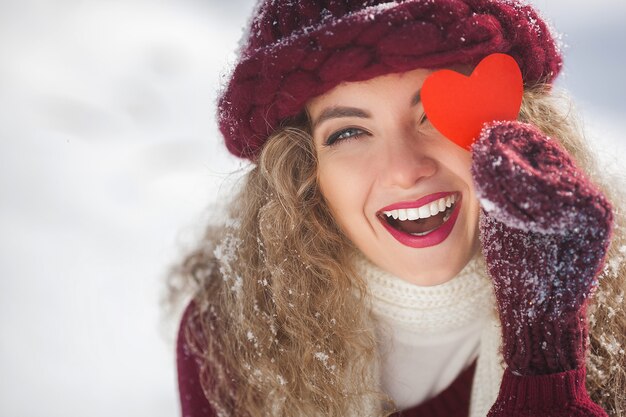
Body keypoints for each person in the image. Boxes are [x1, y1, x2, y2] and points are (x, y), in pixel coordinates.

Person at [167, 1, 626, 416]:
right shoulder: (227, 340)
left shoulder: (616, 307)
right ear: (302, 171)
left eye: (433, 114)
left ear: (517, 126)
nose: (404, 170)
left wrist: (545, 361)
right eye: (348, 133)